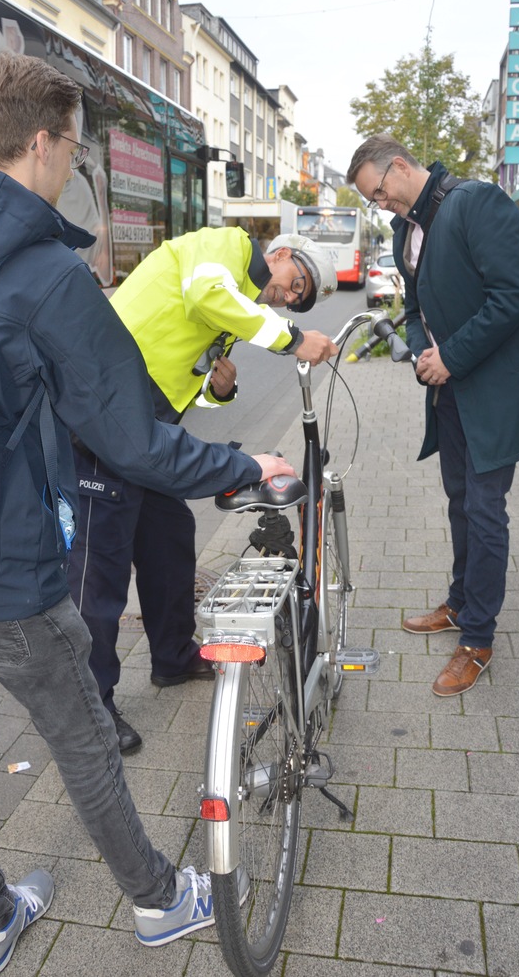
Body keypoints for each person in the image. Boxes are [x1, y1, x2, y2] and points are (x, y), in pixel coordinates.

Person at [0, 51, 295, 975]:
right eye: (72, 146)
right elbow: (136, 437)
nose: (74, 164)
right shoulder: (46, 276)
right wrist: (239, 461)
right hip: (6, 569)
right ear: (39, 144)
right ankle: (157, 902)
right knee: (87, 740)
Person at [69, 226, 340, 752]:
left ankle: (172, 657)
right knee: (97, 569)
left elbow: (187, 377)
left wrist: (223, 389)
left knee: (170, 532)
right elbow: (203, 293)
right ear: (280, 253)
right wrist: (291, 338)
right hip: (103, 405)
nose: (287, 296)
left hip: (146, 421)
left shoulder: (236, 297)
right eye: (294, 281)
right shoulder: (228, 248)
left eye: (298, 300)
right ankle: (89, 714)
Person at [346, 133, 519, 697]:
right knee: (459, 502)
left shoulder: (476, 201)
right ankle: (461, 601)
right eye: (373, 201)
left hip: (492, 391)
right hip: (449, 390)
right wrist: (426, 351)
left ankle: (478, 639)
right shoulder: (405, 232)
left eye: (379, 193)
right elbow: (416, 307)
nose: (381, 206)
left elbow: (514, 297)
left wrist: (452, 356)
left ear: (398, 166)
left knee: (485, 508)